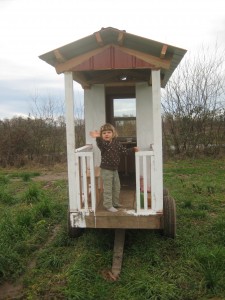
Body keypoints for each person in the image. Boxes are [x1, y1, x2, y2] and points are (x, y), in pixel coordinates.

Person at [90, 123, 139, 212]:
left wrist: (132, 149)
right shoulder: (103, 144)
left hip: (114, 169)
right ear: (102, 135)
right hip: (106, 170)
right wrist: (97, 137)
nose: (107, 134)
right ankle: (108, 205)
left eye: (109, 132)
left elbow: (124, 151)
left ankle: (115, 203)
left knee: (117, 187)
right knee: (108, 188)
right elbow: (99, 142)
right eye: (104, 133)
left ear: (113, 133)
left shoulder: (116, 143)